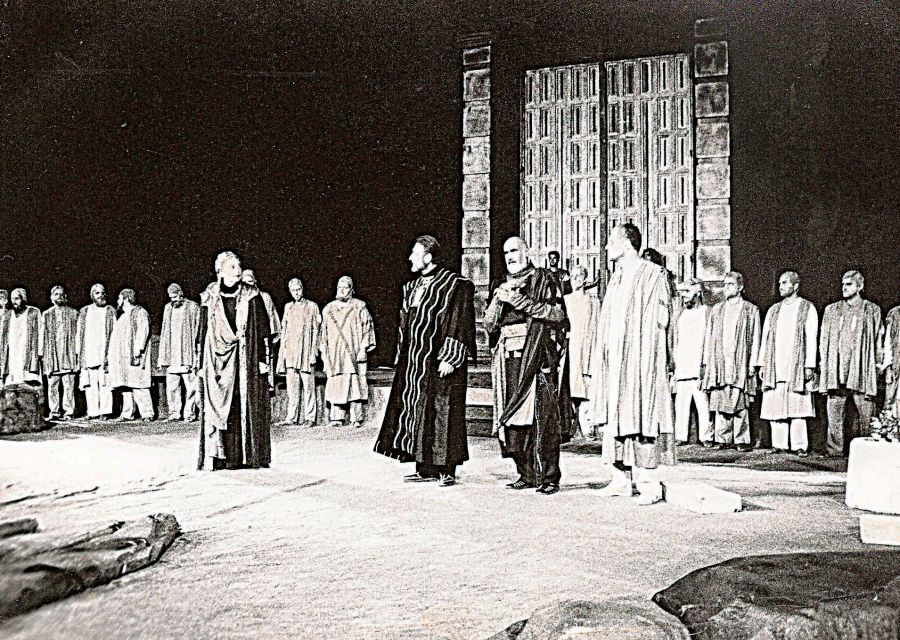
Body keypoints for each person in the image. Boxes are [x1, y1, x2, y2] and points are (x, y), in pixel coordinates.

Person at [375, 235, 476, 486]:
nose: (410, 258)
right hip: (415, 365)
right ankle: (425, 467)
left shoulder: (454, 285)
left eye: (415, 253)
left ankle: (446, 469)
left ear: (428, 257)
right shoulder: (411, 288)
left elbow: (459, 322)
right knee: (418, 412)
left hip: (440, 361)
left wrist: (451, 356)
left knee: (443, 412)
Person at [588, 224, 675, 504]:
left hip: (640, 362)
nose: (606, 247)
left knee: (642, 416)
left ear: (627, 243)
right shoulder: (616, 278)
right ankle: (621, 480)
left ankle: (649, 484)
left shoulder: (652, 274)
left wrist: (651, 361)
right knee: (615, 417)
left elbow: (662, 321)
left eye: (611, 241)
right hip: (615, 363)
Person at [485, 236, 566, 495]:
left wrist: (518, 301)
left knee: (543, 419)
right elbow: (489, 325)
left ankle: (549, 477)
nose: (510, 256)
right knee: (513, 418)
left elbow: (557, 314)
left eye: (514, 250)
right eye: (506, 252)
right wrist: (499, 300)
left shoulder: (545, 279)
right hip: (508, 358)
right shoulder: (500, 284)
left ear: (527, 252)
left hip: (538, 356)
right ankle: (526, 473)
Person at [197, 251, 272, 470]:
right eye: (232, 267)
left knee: (243, 404)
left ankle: (248, 457)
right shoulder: (209, 296)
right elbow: (202, 332)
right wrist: (200, 364)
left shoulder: (251, 295)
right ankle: (222, 457)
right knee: (222, 407)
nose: (237, 270)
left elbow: (262, 331)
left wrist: (262, 359)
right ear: (219, 271)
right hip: (216, 363)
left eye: (239, 266)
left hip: (245, 359)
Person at [819, 270, 882, 456]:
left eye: (849, 284)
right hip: (836, 367)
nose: (844, 288)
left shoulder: (871, 310)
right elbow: (823, 340)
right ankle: (834, 450)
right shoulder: (832, 310)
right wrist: (824, 364)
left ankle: (867, 450)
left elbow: (878, 339)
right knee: (834, 410)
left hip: (861, 368)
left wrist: (878, 366)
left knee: (866, 411)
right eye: (843, 284)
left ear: (860, 286)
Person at [756, 272, 818, 457]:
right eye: (779, 283)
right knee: (775, 406)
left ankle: (799, 445)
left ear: (795, 286)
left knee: (797, 407)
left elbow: (811, 338)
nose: (780, 286)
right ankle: (779, 444)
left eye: (784, 283)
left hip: (796, 365)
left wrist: (809, 365)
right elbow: (765, 338)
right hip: (775, 365)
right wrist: (762, 364)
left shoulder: (807, 308)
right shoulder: (774, 310)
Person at [701, 271, 761, 452]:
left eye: (730, 284)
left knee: (739, 400)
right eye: (724, 284)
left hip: (740, 361)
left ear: (740, 287)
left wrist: (753, 363)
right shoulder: (717, 309)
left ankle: (741, 439)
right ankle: (722, 438)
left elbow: (755, 338)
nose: (726, 288)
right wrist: (707, 362)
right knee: (721, 399)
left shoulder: (750, 309)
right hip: (720, 361)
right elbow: (709, 337)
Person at [319, 276, 376, 428]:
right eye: (340, 287)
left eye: (345, 287)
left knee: (354, 384)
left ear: (351, 289)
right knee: (336, 383)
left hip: (353, 353)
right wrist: (324, 356)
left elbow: (367, 329)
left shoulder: (359, 307)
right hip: (335, 355)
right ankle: (337, 418)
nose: (342, 290)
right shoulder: (328, 309)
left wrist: (363, 349)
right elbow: (322, 335)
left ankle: (356, 418)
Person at [275, 277, 321, 427]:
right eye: (293, 290)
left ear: (302, 289)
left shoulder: (312, 306)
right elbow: (284, 331)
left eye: (298, 289)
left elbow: (316, 331)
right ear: (289, 291)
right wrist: (283, 354)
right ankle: (291, 417)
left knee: (308, 387)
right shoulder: (288, 307)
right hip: (291, 352)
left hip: (306, 352)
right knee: (292, 388)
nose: (296, 293)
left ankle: (310, 417)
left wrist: (314, 352)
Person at [672, 278, 712, 447]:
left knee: (703, 404)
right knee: (681, 404)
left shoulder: (707, 312)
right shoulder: (680, 314)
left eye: (687, 292)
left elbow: (709, 340)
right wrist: (674, 365)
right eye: (682, 293)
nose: (684, 296)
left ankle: (706, 436)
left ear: (698, 292)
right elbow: (675, 341)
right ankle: (680, 435)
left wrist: (705, 365)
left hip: (698, 367)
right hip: (682, 366)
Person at [562, 265, 600, 437]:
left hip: (587, 346)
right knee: (569, 385)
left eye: (579, 276)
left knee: (586, 386)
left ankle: (587, 427)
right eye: (573, 276)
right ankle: (570, 426)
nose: (576, 279)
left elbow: (596, 326)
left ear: (585, 279)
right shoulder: (566, 300)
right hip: (570, 347)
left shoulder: (593, 301)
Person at [108, 289, 154, 421]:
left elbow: (143, 331)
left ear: (126, 299)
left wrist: (138, 349)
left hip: (135, 356)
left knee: (139, 385)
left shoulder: (140, 312)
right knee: (126, 386)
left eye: (119, 298)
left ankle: (147, 413)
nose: (118, 301)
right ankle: (127, 413)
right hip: (123, 357)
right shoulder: (123, 316)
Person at [158, 283, 201, 422]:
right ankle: (174, 413)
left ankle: (189, 414)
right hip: (172, 355)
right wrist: (163, 356)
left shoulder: (193, 307)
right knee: (172, 387)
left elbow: (198, 330)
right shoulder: (168, 308)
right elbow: (164, 331)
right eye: (171, 297)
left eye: (175, 297)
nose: (173, 300)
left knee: (191, 387)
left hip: (187, 354)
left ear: (181, 294)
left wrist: (196, 352)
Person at [77, 283, 116, 419]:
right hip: (89, 352)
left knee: (105, 383)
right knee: (90, 384)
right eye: (97, 293)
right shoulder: (85, 311)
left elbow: (114, 332)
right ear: (92, 295)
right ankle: (93, 411)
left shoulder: (110, 310)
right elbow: (79, 333)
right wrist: (79, 352)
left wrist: (111, 353)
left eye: (103, 292)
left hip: (105, 352)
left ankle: (105, 411)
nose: (101, 295)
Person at [42, 285, 79, 420]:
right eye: (56, 294)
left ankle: (69, 411)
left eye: (61, 294)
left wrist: (77, 353)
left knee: (69, 384)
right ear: (51, 297)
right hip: (52, 355)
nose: (59, 297)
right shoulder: (46, 314)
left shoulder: (74, 313)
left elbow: (78, 335)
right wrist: (42, 354)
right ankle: (54, 412)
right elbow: (42, 335)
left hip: (68, 354)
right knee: (52, 385)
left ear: (65, 297)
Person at [0, 288, 42, 385]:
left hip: (28, 351)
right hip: (12, 353)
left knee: (28, 384)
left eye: (17, 298)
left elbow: (40, 332)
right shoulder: (7, 315)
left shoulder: (33, 312)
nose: (14, 301)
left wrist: (39, 352)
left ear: (24, 299)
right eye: (12, 299)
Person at [881, 304, 900, 415]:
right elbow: (888, 343)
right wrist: (888, 367)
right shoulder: (895, 314)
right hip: (897, 367)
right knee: (893, 407)